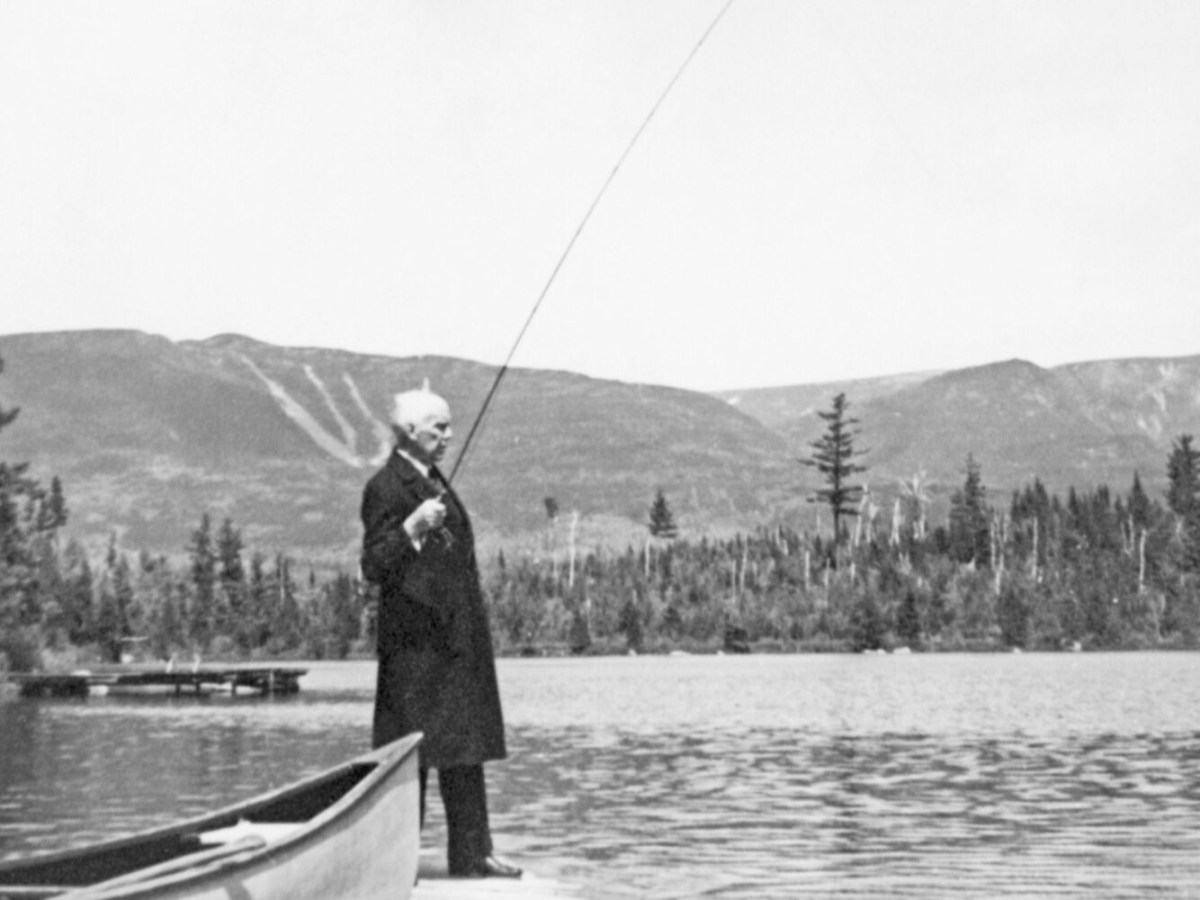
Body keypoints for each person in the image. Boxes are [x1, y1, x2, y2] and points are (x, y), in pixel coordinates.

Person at [360, 386, 521, 879]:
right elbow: (373, 564)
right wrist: (411, 528)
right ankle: (395, 865)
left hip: (453, 643)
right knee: (410, 758)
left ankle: (473, 855)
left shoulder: (431, 479)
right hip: (415, 651)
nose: (449, 435)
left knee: (464, 748)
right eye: (440, 427)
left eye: (450, 427)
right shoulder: (386, 487)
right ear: (411, 431)